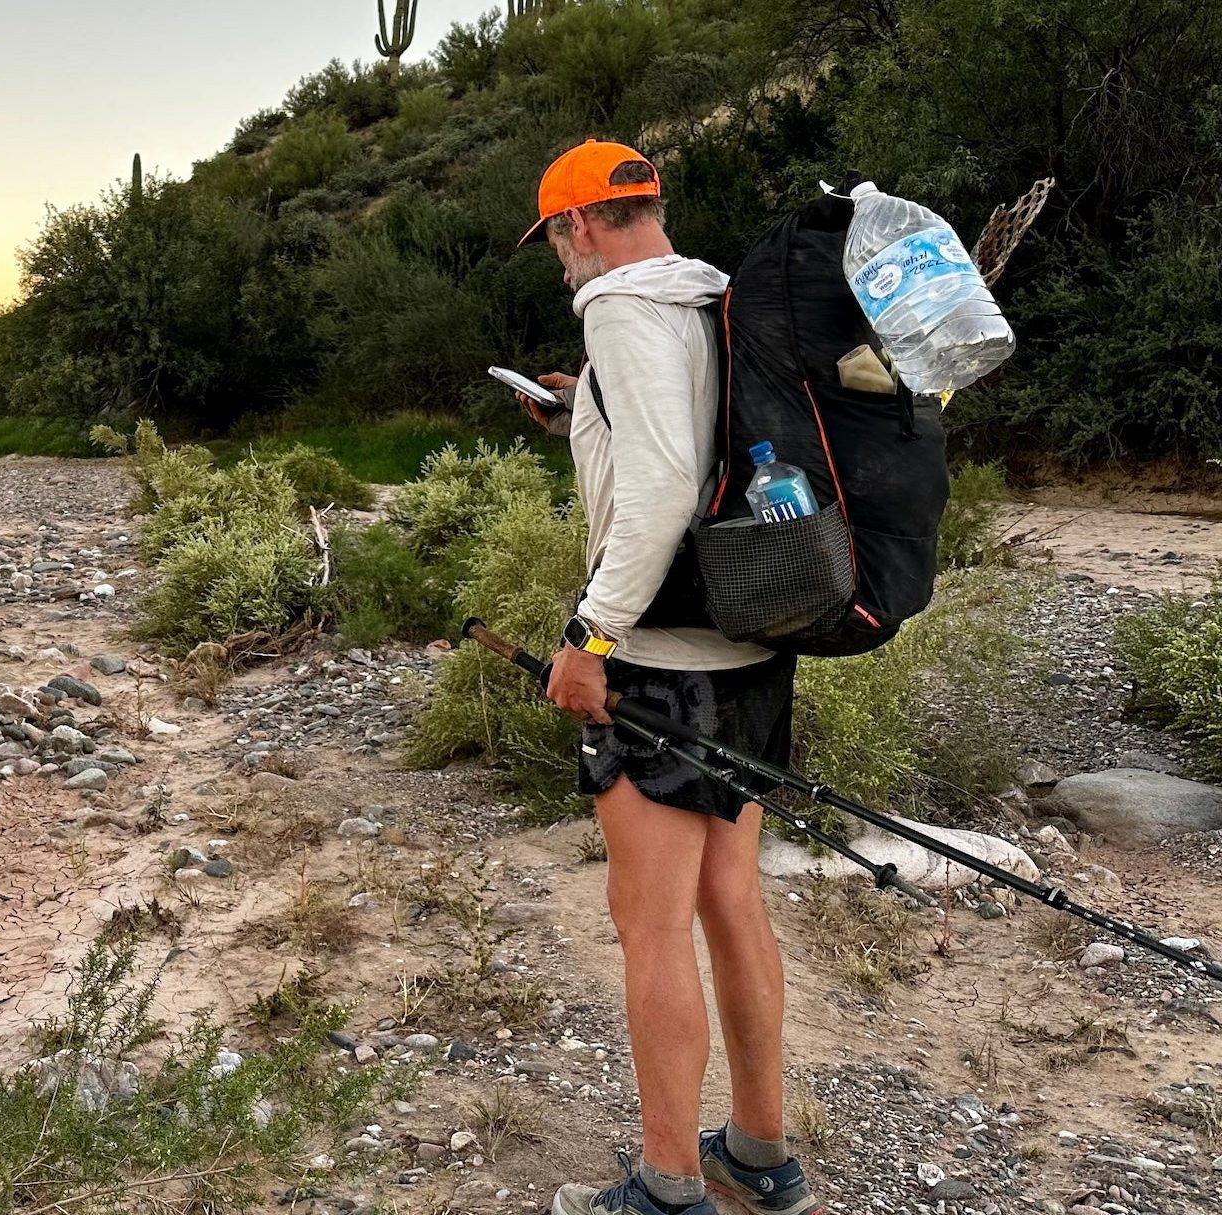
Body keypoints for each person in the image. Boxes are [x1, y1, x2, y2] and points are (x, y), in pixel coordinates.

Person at [511, 139, 827, 1215]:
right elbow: (692, 440)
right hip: (751, 644)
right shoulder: (717, 296)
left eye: (556, 241)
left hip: (661, 660)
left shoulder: (618, 308)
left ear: (582, 224)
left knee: (651, 923)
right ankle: (760, 1153)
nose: (561, 266)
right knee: (733, 900)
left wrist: (588, 639)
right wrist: (577, 416)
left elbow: (657, 494)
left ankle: (668, 1185)